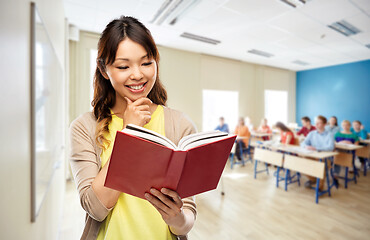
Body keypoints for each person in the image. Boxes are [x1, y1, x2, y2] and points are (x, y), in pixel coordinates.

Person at [69, 16, 196, 240]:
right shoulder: (84, 127)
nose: (138, 74)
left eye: (146, 63)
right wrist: (129, 133)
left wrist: (176, 217)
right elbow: (95, 209)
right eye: (123, 66)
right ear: (104, 69)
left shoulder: (180, 124)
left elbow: (185, 222)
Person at [301, 115, 335, 189]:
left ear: (324, 124)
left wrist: (316, 148)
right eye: (316, 123)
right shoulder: (312, 133)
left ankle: (320, 186)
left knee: (320, 164)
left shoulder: (329, 134)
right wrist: (306, 146)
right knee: (300, 161)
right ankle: (314, 179)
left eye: (319, 123)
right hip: (313, 155)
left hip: (325, 158)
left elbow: (330, 147)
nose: (316, 125)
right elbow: (303, 143)